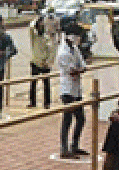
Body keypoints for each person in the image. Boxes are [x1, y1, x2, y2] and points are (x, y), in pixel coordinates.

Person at [58, 23, 89, 159]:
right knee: (67, 119)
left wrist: (79, 69)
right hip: (67, 89)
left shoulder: (74, 48)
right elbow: (73, 71)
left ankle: (75, 145)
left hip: (76, 89)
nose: (79, 38)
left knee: (81, 119)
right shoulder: (63, 52)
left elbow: (82, 65)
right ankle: (64, 148)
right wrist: (78, 69)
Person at [28, 16, 56, 109]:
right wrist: (37, 19)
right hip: (35, 62)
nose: (41, 25)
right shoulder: (34, 36)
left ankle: (47, 103)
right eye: (39, 24)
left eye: (42, 24)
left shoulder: (46, 37)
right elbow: (31, 27)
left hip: (45, 64)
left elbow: (51, 51)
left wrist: (48, 62)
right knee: (33, 83)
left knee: (46, 84)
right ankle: (32, 102)